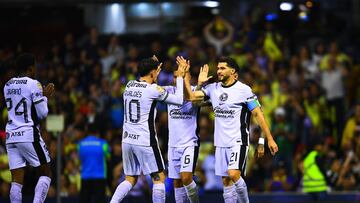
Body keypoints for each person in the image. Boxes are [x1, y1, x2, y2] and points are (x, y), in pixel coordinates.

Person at [185, 57, 278, 203]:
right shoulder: (212, 88)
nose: (218, 71)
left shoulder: (244, 90)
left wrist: (268, 139)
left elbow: (258, 115)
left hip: (238, 140)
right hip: (220, 142)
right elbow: (192, 99)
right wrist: (199, 84)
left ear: (233, 71)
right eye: (218, 68)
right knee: (226, 182)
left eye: (222, 68)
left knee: (234, 174)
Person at [110, 56, 186, 203]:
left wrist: (152, 68)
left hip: (127, 140)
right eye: (156, 71)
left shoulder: (129, 85)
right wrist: (181, 77)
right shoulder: (153, 90)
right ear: (152, 73)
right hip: (145, 140)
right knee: (159, 178)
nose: (158, 73)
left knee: (130, 179)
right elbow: (179, 100)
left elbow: (148, 86)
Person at [4, 53, 54, 203]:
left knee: (16, 180)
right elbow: (43, 113)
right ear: (30, 69)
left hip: (11, 135)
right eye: (35, 67)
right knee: (46, 172)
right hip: (28, 134)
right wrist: (44, 96)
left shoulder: (7, 85)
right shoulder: (34, 84)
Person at [164, 57, 200, 203]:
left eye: (182, 75)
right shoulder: (169, 91)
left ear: (189, 77)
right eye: (175, 76)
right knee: (177, 183)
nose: (177, 78)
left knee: (186, 178)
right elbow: (151, 88)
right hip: (172, 145)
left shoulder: (196, 92)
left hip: (189, 144)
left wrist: (183, 76)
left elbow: (191, 98)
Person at [78, 121, 110, 203]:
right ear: (98, 132)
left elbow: (79, 159)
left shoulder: (80, 144)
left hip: (85, 177)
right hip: (99, 177)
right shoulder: (104, 144)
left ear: (87, 131)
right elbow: (108, 158)